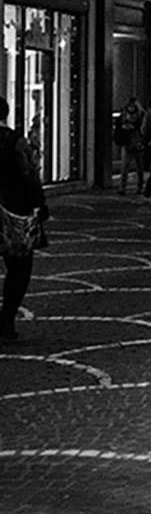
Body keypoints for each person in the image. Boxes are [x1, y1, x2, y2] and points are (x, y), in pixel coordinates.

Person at [0, 97, 49, 341]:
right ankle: (6, 320)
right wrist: (39, 204)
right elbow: (29, 174)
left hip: (11, 209)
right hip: (13, 211)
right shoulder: (15, 142)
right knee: (19, 268)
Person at [117, 96, 146, 195]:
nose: (131, 108)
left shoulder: (141, 115)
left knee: (139, 167)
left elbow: (144, 129)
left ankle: (140, 187)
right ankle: (122, 187)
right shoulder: (124, 115)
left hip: (138, 143)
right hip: (127, 142)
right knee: (125, 166)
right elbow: (119, 127)